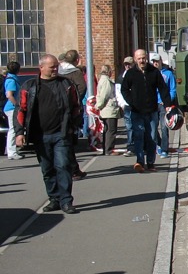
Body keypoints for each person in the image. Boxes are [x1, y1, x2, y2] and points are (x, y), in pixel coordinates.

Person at [13, 54, 81, 214]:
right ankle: (54, 199)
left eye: (56, 66)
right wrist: (19, 133)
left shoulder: (65, 84)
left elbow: (76, 105)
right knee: (47, 169)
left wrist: (74, 125)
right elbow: (21, 110)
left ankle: (66, 201)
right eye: (52, 67)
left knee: (63, 165)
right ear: (41, 67)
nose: (55, 69)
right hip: (40, 135)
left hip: (61, 133)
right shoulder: (29, 86)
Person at [120, 48, 171, 172]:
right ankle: (140, 162)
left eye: (143, 58)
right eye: (139, 58)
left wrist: (168, 104)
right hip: (136, 111)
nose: (142, 60)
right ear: (135, 59)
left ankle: (151, 163)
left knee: (152, 137)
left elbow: (163, 88)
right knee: (138, 136)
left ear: (146, 58)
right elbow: (124, 89)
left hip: (152, 110)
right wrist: (131, 102)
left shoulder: (154, 72)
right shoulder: (131, 73)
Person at [58, 49, 88, 179]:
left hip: (57, 109)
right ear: (76, 60)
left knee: (64, 140)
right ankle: (72, 169)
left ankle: (72, 168)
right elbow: (82, 87)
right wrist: (74, 101)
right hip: (69, 111)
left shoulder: (58, 71)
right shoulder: (75, 72)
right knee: (68, 141)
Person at [151, 56, 176, 155]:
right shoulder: (150, 74)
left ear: (161, 61)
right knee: (152, 129)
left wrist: (168, 102)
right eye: (153, 61)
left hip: (163, 104)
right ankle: (160, 144)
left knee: (164, 127)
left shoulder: (168, 74)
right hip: (153, 104)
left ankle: (164, 149)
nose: (155, 63)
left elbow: (172, 89)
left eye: (157, 61)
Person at [95, 64, 121, 155]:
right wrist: (99, 106)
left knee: (107, 130)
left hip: (106, 109)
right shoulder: (106, 81)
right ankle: (109, 149)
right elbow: (104, 95)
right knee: (111, 130)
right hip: (108, 109)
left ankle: (106, 148)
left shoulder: (102, 80)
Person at [4, 57, 23, 159]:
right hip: (11, 108)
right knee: (13, 129)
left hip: (10, 107)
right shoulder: (11, 80)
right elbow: (9, 95)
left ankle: (10, 150)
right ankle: (11, 152)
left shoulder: (11, 78)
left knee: (12, 129)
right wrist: (17, 105)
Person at [116, 56, 135, 156]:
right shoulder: (120, 78)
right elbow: (118, 92)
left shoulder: (138, 75)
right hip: (127, 106)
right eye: (126, 64)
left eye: (129, 64)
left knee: (140, 126)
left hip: (138, 105)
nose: (127, 66)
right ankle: (131, 147)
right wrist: (122, 104)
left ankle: (142, 146)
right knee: (129, 127)